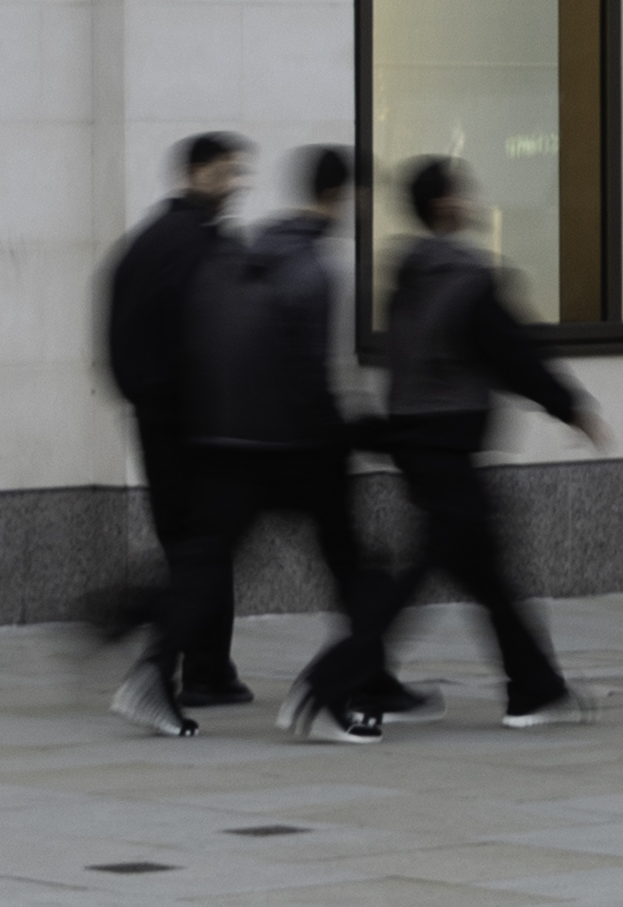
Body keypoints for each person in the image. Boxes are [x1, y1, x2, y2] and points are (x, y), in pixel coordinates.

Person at [135, 148, 401, 741]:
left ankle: (152, 674)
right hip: (298, 447)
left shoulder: (252, 247)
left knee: (209, 562)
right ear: (347, 197)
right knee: (363, 570)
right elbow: (316, 373)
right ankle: (332, 696)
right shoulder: (316, 267)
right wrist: (358, 434)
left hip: (231, 442)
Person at [371, 158, 616, 729]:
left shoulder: (405, 274)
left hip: (413, 436)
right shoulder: (466, 277)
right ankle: (348, 674)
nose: (470, 200)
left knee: (483, 571)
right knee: (437, 567)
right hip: (450, 439)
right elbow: (511, 353)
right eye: (461, 193)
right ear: (443, 207)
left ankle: (533, 688)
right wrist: (571, 407)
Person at [98, 134, 256, 709]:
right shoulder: (203, 247)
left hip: (156, 420)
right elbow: (218, 336)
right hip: (199, 425)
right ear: (195, 172)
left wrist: (143, 398)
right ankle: (200, 664)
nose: (235, 184)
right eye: (226, 173)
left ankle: (200, 660)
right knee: (204, 548)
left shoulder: (141, 244)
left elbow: (116, 336)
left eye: (238, 173)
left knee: (188, 545)